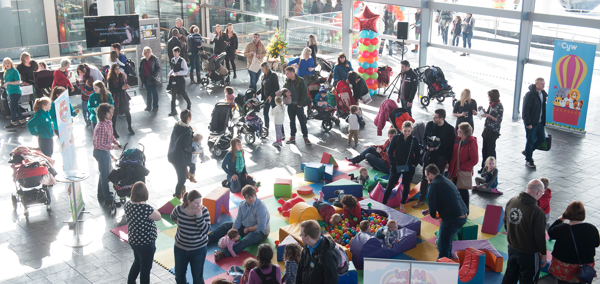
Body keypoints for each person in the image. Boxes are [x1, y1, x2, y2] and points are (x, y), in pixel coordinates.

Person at [502, 179, 548, 284]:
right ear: (538, 192)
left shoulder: (512, 201)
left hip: (512, 247)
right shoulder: (537, 212)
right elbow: (539, 236)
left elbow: (505, 222)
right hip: (528, 252)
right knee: (528, 279)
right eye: (542, 193)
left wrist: (512, 235)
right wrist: (543, 254)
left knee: (510, 275)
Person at [211, 185, 270, 261]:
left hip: (260, 232)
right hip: (245, 226)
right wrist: (231, 234)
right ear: (244, 198)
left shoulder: (261, 207)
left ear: (255, 195)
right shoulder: (242, 205)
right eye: (248, 197)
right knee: (226, 225)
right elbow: (238, 221)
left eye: (252, 196)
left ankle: (222, 253)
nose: (251, 199)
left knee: (247, 239)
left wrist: (248, 229)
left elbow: (261, 226)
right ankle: (207, 240)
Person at [548, 201, 600, 284]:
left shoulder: (561, 229)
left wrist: (560, 219)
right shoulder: (592, 229)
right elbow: (596, 244)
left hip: (563, 268)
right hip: (583, 267)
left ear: (567, 213)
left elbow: (550, 232)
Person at [414, 109, 456, 209]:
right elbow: (424, 139)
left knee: (438, 180)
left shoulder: (450, 129)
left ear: (442, 118)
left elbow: (450, 147)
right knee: (424, 178)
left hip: (441, 157)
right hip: (429, 155)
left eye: (435, 117)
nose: (433, 118)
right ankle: (421, 199)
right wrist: (426, 147)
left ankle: (436, 202)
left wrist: (448, 161)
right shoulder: (429, 125)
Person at [425, 164, 468, 258]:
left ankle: (442, 268)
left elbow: (431, 205)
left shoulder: (433, 184)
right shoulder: (446, 180)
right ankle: (448, 261)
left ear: (430, 174)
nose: (426, 178)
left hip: (453, 219)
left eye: (426, 176)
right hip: (463, 214)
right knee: (447, 241)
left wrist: (434, 215)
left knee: (442, 245)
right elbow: (446, 198)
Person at [171, 190, 211, 284]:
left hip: (198, 249)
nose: (199, 205)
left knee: (197, 278)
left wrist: (199, 216)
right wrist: (183, 227)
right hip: (180, 248)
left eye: (200, 202)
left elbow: (206, 231)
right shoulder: (179, 209)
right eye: (196, 203)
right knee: (179, 276)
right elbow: (173, 217)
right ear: (189, 201)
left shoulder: (204, 210)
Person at [125, 182, 161, 284]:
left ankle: (131, 281)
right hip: (146, 243)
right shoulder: (146, 208)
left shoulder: (127, 205)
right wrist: (147, 205)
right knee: (145, 269)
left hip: (134, 240)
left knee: (137, 262)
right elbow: (158, 217)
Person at [383, 121, 421, 210]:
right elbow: (390, 151)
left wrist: (413, 165)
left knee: (406, 185)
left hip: (408, 166)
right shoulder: (396, 138)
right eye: (405, 131)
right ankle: (384, 202)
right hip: (396, 165)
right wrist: (392, 163)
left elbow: (418, 154)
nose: (407, 133)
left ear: (411, 130)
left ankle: (402, 203)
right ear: (401, 129)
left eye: (409, 131)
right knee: (390, 184)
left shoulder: (413, 139)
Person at [93, 103, 120, 205]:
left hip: (105, 151)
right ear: (103, 113)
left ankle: (101, 194)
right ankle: (108, 196)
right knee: (105, 176)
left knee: (104, 173)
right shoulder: (100, 126)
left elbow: (110, 135)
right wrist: (113, 147)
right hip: (101, 152)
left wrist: (114, 141)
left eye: (112, 111)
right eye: (109, 112)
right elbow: (99, 145)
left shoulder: (108, 123)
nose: (111, 114)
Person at [448, 122, 478, 212]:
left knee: (463, 192)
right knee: (455, 191)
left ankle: (465, 211)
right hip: (454, 170)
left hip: (462, 172)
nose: (457, 131)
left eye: (459, 130)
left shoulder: (471, 143)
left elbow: (474, 160)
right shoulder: (459, 140)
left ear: (464, 133)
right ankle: (457, 209)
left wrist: (461, 166)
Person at [522, 78, 547, 169]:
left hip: (539, 122)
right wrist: (528, 123)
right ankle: (529, 159)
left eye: (544, 84)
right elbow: (525, 110)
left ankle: (528, 151)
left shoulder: (543, 94)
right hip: (531, 123)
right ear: (536, 84)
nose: (543, 86)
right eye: (541, 84)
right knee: (530, 140)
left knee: (542, 139)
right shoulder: (529, 95)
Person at [168, 110, 193, 199]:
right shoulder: (187, 130)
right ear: (188, 118)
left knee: (182, 176)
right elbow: (186, 147)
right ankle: (177, 196)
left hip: (173, 155)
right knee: (181, 179)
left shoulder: (176, 126)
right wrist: (193, 150)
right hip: (180, 158)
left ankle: (182, 193)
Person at [282, 66, 311, 145]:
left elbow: (304, 93)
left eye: (287, 73)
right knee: (292, 121)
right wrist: (285, 93)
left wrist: (300, 104)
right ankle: (292, 137)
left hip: (298, 105)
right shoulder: (287, 81)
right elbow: (283, 89)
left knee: (302, 121)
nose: (286, 75)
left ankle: (305, 137)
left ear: (292, 73)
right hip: (290, 105)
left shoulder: (301, 81)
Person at [479, 89, 503, 172]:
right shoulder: (491, 105)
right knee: (484, 149)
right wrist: (485, 112)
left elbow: (498, 120)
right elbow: (489, 113)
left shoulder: (499, 106)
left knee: (491, 150)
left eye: (489, 96)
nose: (488, 97)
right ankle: (484, 167)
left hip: (493, 131)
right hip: (487, 129)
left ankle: (491, 168)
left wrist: (489, 115)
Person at [107, 64, 134, 137]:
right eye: (116, 69)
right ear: (113, 70)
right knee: (114, 114)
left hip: (123, 97)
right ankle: (114, 130)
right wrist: (121, 88)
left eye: (118, 68)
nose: (118, 70)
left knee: (127, 112)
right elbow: (112, 90)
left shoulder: (122, 75)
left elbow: (124, 84)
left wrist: (126, 87)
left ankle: (130, 127)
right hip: (116, 98)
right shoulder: (110, 79)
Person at [260, 61, 282, 138]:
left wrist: (271, 96)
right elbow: (262, 87)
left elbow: (277, 88)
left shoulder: (273, 75)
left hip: (273, 99)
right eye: (261, 69)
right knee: (265, 113)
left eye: (263, 69)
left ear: (267, 68)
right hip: (266, 99)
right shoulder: (263, 76)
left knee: (277, 114)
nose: (261, 70)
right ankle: (266, 129)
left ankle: (281, 132)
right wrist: (256, 93)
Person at [168, 46, 191, 116]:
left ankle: (189, 102)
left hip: (180, 79)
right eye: (173, 52)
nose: (174, 54)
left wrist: (178, 73)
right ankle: (173, 110)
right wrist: (170, 73)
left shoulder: (182, 60)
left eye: (175, 52)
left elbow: (186, 71)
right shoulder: (172, 60)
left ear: (179, 53)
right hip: (174, 79)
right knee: (173, 95)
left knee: (183, 93)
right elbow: (173, 69)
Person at [3, 58, 26, 129]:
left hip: (16, 92)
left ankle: (14, 122)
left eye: (8, 63)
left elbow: (18, 82)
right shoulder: (6, 71)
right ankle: (22, 121)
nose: (7, 64)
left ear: (11, 64)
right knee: (16, 107)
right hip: (10, 92)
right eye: (6, 63)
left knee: (12, 107)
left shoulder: (14, 71)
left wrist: (8, 83)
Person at [139, 47, 161, 112]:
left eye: (150, 52)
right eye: (147, 52)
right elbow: (140, 69)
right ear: (145, 53)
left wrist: (154, 74)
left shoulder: (154, 59)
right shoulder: (143, 60)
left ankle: (155, 106)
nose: (149, 53)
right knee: (148, 93)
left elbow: (158, 68)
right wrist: (141, 75)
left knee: (154, 92)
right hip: (145, 79)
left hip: (152, 79)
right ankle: (148, 106)